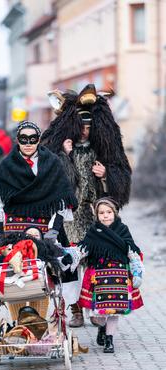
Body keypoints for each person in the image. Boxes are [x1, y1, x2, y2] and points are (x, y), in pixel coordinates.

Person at [41, 84, 132, 327]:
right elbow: (52, 177)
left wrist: (105, 175)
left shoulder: (101, 148)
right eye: (81, 126)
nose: (84, 131)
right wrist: (66, 156)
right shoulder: (60, 148)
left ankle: (95, 305)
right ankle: (75, 309)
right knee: (69, 261)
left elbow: (121, 173)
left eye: (89, 127)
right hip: (69, 215)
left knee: (95, 262)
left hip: (92, 214)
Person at [0, 120, 78, 320]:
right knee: (13, 278)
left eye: (32, 139)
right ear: (17, 140)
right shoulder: (7, 165)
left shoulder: (52, 162)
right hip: (13, 231)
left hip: (43, 229)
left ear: (39, 140)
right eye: (23, 139)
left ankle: (39, 326)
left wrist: (52, 233)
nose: (28, 143)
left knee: (42, 279)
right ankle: (19, 325)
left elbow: (61, 201)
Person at [78, 197, 144, 353]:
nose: (105, 215)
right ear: (97, 215)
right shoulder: (94, 231)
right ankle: (102, 327)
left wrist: (137, 271)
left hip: (119, 276)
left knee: (114, 310)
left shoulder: (122, 229)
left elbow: (132, 250)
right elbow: (84, 248)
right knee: (99, 314)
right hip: (98, 276)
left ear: (115, 213)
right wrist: (71, 256)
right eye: (101, 213)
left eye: (108, 212)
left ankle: (109, 340)